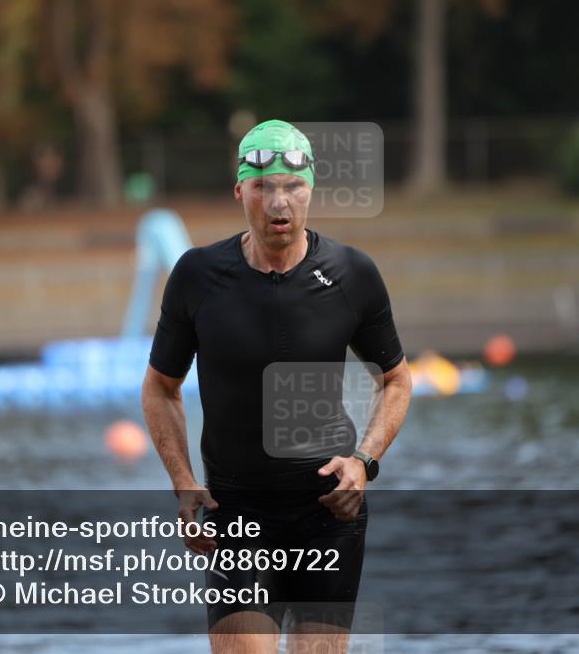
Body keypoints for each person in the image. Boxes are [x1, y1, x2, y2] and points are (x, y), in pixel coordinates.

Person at [141, 119, 412, 653]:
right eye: (263, 187)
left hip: (330, 512)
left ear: (311, 189)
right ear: (240, 190)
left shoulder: (352, 274)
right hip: (236, 514)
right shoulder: (198, 276)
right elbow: (160, 389)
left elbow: (397, 380)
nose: (278, 202)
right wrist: (183, 481)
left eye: (292, 187)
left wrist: (363, 461)